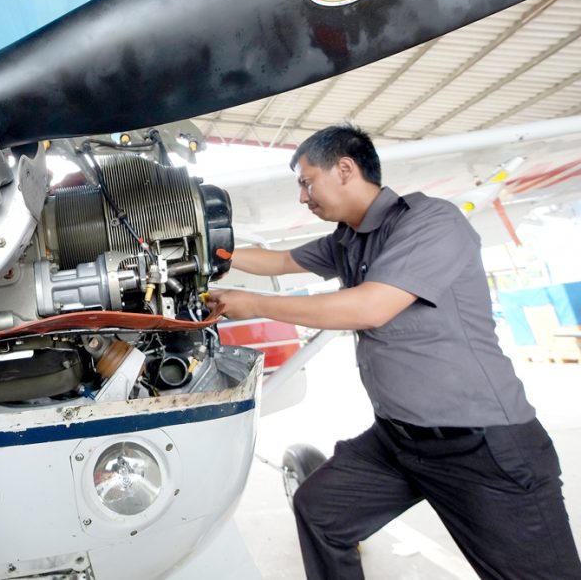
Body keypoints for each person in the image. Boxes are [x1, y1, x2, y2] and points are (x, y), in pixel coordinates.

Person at [205, 124, 581, 580]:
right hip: (400, 441)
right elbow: (282, 260)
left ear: (344, 169)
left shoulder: (430, 222)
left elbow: (372, 306)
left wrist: (255, 304)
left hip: (481, 446)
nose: (303, 197)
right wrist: (210, 250)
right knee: (322, 511)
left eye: (306, 182)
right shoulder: (348, 238)